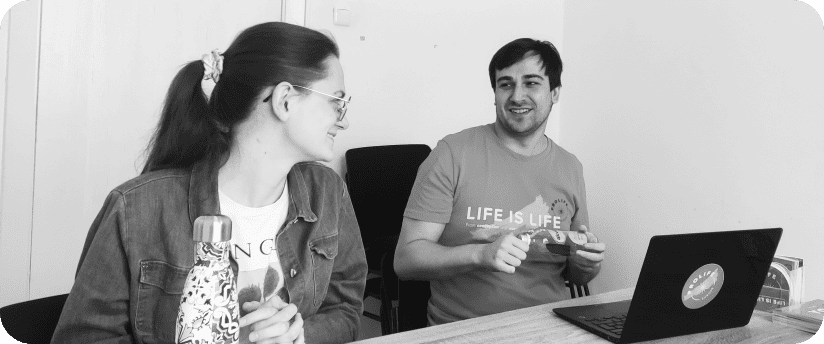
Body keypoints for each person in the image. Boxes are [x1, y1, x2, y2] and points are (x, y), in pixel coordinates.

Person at [52, 22, 367, 344]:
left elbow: (345, 310)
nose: (342, 119)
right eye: (335, 100)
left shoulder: (327, 192)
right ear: (285, 100)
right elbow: (83, 338)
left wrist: (298, 336)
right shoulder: (136, 208)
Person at [394, 38, 606, 325]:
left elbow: (574, 272)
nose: (517, 96)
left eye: (531, 83)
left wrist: (585, 266)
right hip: (464, 328)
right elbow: (406, 261)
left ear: (554, 93)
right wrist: (480, 254)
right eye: (506, 84)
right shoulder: (452, 154)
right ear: (494, 93)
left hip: (550, 327)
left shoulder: (570, 167)